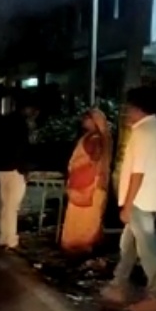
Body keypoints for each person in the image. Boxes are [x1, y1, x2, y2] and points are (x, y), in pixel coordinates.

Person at [101, 86, 156, 311]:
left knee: (146, 250)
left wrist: (127, 204)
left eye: (129, 107)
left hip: (140, 201)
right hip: (153, 199)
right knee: (129, 245)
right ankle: (118, 284)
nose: (126, 111)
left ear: (138, 108)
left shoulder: (143, 132)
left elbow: (138, 172)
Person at [61, 109, 112, 254]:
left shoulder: (95, 138)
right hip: (86, 184)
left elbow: (94, 158)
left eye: (86, 118)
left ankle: (80, 247)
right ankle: (81, 247)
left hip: (88, 185)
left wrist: (79, 165)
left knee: (84, 219)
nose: (83, 121)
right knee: (85, 218)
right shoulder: (95, 137)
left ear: (94, 121)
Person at [0, 98, 32, 250]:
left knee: (5, 205)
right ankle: (11, 240)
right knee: (12, 206)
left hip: (3, 167)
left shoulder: (4, 122)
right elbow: (22, 149)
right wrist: (24, 169)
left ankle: (3, 237)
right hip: (15, 168)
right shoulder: (21, 125)